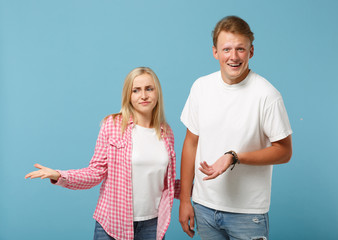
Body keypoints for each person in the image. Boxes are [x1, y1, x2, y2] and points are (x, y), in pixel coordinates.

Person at [25, 67, 179, 240]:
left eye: (149, 89)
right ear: (128, 95)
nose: (143, 95)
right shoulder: (113, 125)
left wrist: (198, 191)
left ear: (157, 92)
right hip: (113, 223)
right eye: (136, 90)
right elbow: (95, 172)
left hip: (153, 225)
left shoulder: (166, 133)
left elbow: (166, 182)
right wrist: (59, 175)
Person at [179, 16, 293, 240]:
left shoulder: (267, 95)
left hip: (247, 213)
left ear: (251, 52)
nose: (233, 56)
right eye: (227, 49)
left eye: (240, 49)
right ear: (215, 52)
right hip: (204, 207)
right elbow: (191, 143)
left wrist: (234, 157)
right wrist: (185, 199)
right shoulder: (201, 87)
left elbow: (284, 151)